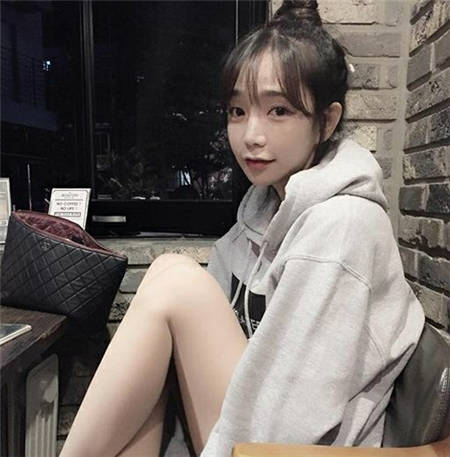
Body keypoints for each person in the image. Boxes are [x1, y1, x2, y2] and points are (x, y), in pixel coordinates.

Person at [59, 1, 425, 456]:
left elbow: (294, 414)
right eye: (237, 111)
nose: (251, 134)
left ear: (326, 121)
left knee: (175, 279)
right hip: (251, 425)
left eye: (279, 111)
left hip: (291, 448)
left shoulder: (342, 227)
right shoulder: (262, 209)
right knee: (163, 309)